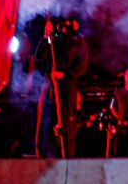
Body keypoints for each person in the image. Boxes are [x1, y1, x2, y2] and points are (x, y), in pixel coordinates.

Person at [33, 16, 89, 158]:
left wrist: (64, 75)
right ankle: (45, 155)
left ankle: (67, 157)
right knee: (47, 120)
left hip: (67, 88)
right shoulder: (55, 41)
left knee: (66, 123)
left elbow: (81, 68)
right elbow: (40, 56)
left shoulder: (79, 44)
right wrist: (46, 37)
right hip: (51, 87)